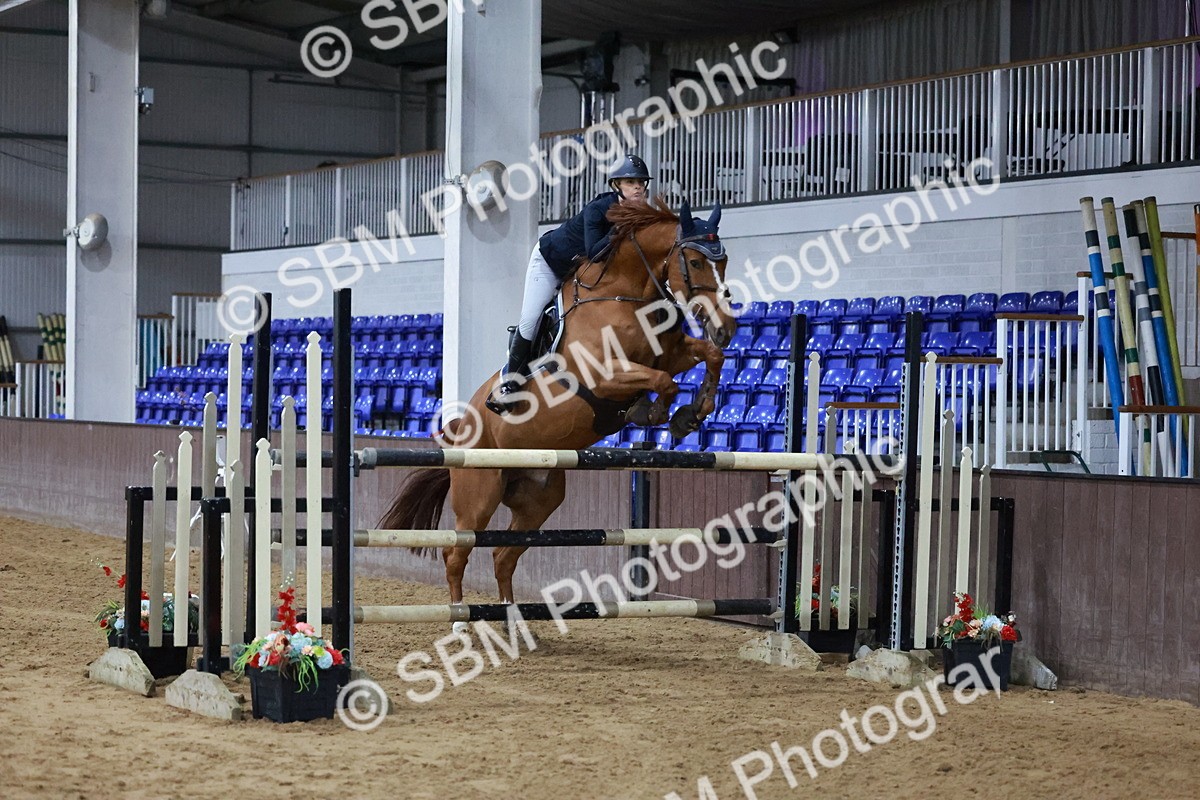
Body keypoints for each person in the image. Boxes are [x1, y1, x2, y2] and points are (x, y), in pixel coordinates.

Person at [486, 154, 651, 414]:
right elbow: (595, 250)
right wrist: (620, 228)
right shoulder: (599, 209)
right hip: (551, 262)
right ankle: (509, 382)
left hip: (582, 273)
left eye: (641, 182)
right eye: (631, 181)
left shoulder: (643, 214)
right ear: (616, 186)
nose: (638, 187)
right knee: (531, 318)